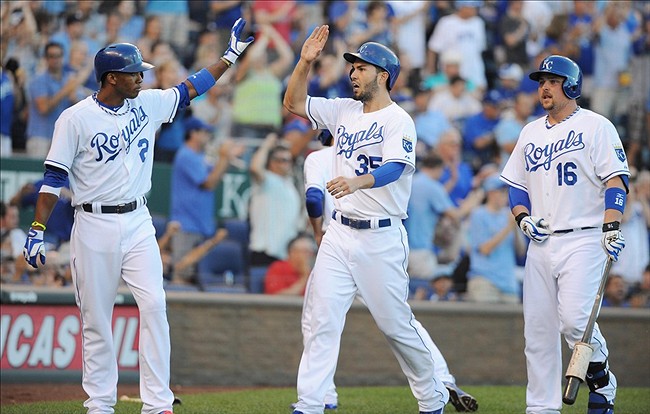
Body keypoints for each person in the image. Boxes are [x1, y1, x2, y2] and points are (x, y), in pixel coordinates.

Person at [22, 19, 254, 414]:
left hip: (138, 220)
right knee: (97, 318)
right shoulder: (75, 118)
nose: (141, 78)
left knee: (155, 305)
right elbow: (53, 179)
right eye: (134, 73)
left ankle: (158, 402)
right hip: (93, 223)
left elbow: (190, 87)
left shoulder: (146, 104)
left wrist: (229, 57)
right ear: (111, 78)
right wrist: (37, 228)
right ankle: (100, 403)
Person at [283, 27, 450, 414]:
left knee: (396, 327)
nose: (353, 73)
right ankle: (310, 403)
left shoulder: (398, 119)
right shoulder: (343, 109)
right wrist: (305, 62)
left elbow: (396, 167)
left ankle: (433, 396)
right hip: (339, 232)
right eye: (353, 67)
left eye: (362, 68)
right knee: (321, 320)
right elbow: (293, 102)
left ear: (383, 75)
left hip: (381, 236)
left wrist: (357, 181)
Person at [301, 133, 478, 413]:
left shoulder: (320, 157)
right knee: (400, 322)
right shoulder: (375, 150)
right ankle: (443, 378)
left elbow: (314, 199)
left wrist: (316, 232)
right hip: (378, 243)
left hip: (337, 242)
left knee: (319, 323)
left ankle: (322, 396)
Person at [500, 55, 630, 414]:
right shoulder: (529, 132)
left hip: (584, 238)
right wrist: (522, 219)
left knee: (574, 321)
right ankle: (541, 407)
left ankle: (601, 377)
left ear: (571, 85)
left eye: (553, 81)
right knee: (537, 332)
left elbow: (616, 181)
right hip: (541, 241)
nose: (545, 87)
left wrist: (611, 225)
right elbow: (516, 186)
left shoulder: (596, 126)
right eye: (541, 81)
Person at [169, 116, 244, 285]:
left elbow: (215, 175)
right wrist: (224, 156)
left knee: (199, 281)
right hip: (186, 226)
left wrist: (228, 156)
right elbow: (208, 183)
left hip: (201, 225)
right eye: (204, 132)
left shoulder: (200, 156)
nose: (208, 136)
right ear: (193, 133)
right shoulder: (186, 155)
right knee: (182, 276)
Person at [465, 174, 523, 304]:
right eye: (501, 191)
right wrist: (508, 228)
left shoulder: (509, 214)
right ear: (490, 193)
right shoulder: (478, 214)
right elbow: (484, 249)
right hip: (485, 281)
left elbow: (521, 251)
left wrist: (515, 227)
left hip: (508, 282)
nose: (504, 195)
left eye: (506, 192)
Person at [248, 132, 302, 267]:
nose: (286, 164)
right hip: (265, 251)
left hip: (284, 253)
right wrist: (267, 145)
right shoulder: (268, 180)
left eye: (289, 160)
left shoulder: (289, 184)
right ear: (271, 162)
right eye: (282, 160)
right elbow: (255, 167)